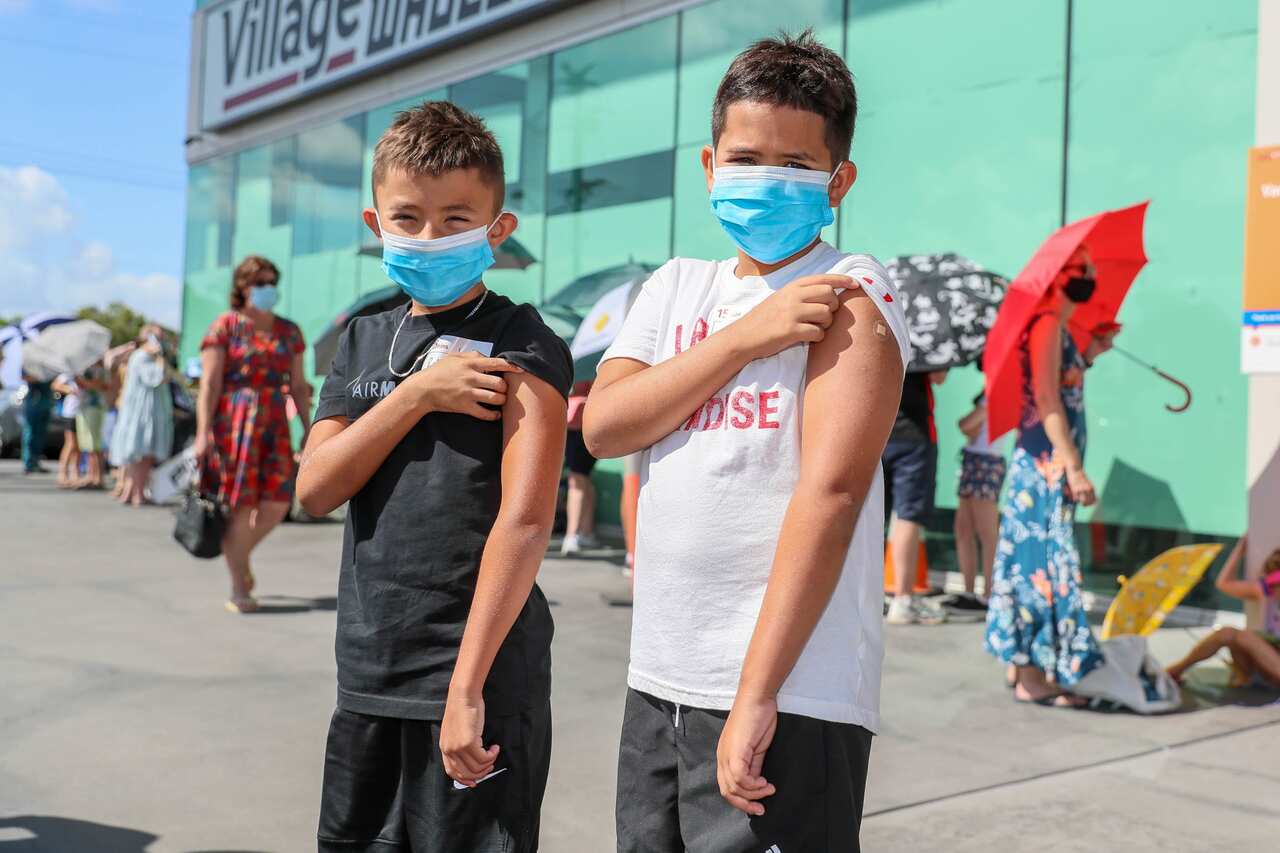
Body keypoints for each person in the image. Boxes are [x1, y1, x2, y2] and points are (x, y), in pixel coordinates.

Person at [585, 32, 908, 852]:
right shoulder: (674, 287)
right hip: (660, 682)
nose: (768, 178)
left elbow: (830, 496)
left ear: (840, 180)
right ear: (709, 165)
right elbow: (605, 422)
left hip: (789, 696)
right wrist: (743, 339)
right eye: (746, 155)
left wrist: (756, 693)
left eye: (797, 164)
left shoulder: (851, 295)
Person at [297, 101, 572, 853]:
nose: (429, 236)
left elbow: (524, 519)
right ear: (374, 221)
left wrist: (466, 688)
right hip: (369, 668)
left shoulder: (522, 340)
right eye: (408, 217)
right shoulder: (360, 341)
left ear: (498, 227)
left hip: (471, 679)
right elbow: (316, 487)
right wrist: (418, 393)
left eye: (457, 218)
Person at [983, 247, 1118, 706]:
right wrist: (1073, 466)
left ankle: (1024, 662)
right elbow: (1045, 397)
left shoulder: (1058, 329)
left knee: (1035, 562)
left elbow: (1059, 386)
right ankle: (1032, 675)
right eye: (1083, 270)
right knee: (1039, 566)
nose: (1091, 276)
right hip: (1045, 466)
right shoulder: (1045, 325)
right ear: (1059, 278)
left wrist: (1091, 352)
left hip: (1047, 464)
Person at [196, 256, 310, 614]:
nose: (266, 288)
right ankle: (238, 586)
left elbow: (298, 385)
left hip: (275, 421)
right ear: (242, 287)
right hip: (234, 422)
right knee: (241, 505)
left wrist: (310, 428)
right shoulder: (225, 327)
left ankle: (239, 558)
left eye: (271, 281)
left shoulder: (289, 331)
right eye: (258, 282)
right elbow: (210, 384)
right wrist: (202, 434)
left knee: (277, 503)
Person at [1166, 535, 1280, 687]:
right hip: (1268, 662)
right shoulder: (1266, 592)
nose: (1274, 589)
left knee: (1244, 636)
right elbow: (1223, 583)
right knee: (1228, 633)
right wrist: (1239, 551)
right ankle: (1174, 671)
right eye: (1273, 584)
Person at [883, 369, 948, 625]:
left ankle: (868, 594)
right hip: (915, 433)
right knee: (908, 516)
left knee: (871, 515)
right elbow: (939, 376)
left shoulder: (882, 327)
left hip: (878, 427)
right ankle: (903, 598)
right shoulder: (932, 333)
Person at [949, 391, 1008, 615]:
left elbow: (966, 426)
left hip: (986, 460)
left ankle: (989, 594)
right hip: (975, 458)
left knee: (986, 531)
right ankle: (969, 592)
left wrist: (971, 421)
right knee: (963, 529)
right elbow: (971, 429)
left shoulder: (997, 391)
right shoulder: (991, 392)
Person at [109, 326, 175, 506]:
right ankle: (136, 493)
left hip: (147, 409)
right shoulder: (143, 357)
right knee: (141, 453)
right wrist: (160, 358)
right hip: (144, 411)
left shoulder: (143, 357)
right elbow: (156, 379)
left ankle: (132, 490)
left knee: (142, 453)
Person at [562, 379, 599, 555]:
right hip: (576, 427)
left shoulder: (593, 368)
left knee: (577, 480)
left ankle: (571, 536)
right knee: (583, 480)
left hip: (585, 427)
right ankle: (586, 532)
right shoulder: (579, 365)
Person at [74, 362, 108, 489]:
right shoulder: (83, 368)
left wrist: (81, 381)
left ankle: (97, 478)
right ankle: (91, 475)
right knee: (88, 444)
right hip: (84, 407)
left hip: (94, 408)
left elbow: (100, 385)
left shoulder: (99, 369)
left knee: (95, 444)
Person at [19, 372, 54, 475]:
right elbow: (25, 377)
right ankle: (28, 462)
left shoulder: (49, 363)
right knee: (30, 433)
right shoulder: (30, 361)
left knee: (41, 434)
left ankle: (36, 461)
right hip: (34, 402)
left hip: (46, 403)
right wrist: (41, 377)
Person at [51, 373, 81, 488]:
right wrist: (69, 389)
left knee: (79, 446)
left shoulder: (85, 371)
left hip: (82, 411)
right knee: (70, 443)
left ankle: (75, 474)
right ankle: (62, 474)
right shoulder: (70, 372)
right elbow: (55, 385)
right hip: (71, 412)